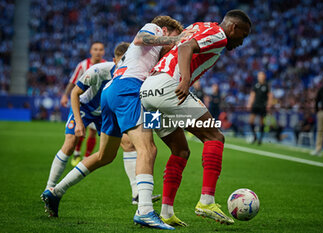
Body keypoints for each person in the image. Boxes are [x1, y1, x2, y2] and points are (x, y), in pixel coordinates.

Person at [42, 16, 188, 230]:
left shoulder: (156, 57)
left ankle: (55, 192)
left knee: (105, 156)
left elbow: (150, 96)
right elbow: (140, 38)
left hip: (113, 93)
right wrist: (176, 40)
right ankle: (145, 210)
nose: (175, 43)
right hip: (127, 89)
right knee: (147, 149)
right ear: (165, 30)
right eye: (174, 37)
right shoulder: (154, 29)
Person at [140, 9, 251, 226]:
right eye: (243, 36)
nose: (241, 42)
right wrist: (184, 79)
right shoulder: (219, 34)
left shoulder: (198, 26)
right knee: (215, 137)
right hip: (168, 87)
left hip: (147, 93)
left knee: (180, 151)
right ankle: (206, 201)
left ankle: (166, 212)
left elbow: (172, 47)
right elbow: (184, 47)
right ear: (233, 28)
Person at [42, 42, 154, 205]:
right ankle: (50, 188)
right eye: (122, 61)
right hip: (85, 108)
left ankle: (136, 194)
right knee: (70, 143)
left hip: (106, 113)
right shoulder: (98, 70)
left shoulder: (136, 74)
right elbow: (75, 93)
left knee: (125, 145)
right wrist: (79, 122)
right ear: (114, 61)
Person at [60, 42, 106, 166]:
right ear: (91, 51)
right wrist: (65, 95)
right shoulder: (83, 65)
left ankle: (87, 157)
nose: (98, 52)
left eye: (100, 49)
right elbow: (72, 81)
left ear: (104, 52)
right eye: (95, 49)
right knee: (81, 129)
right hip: (83, 104)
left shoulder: (106, 66)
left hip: (97, 105)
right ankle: (77, 152)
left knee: (92, 132)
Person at [247, 71, 273, 145]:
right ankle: (255, 136)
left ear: (264, 77)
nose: (260, 77)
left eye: (261, 76)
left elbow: (270, 96)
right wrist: (249, 103)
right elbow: (252, 95)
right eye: (259, 76)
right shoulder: (256, 85)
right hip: (255, 105)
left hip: (263, 106)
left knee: (261, 122)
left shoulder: (266, 85)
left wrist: (269, 105)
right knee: (251, 121)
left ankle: (260, 139)